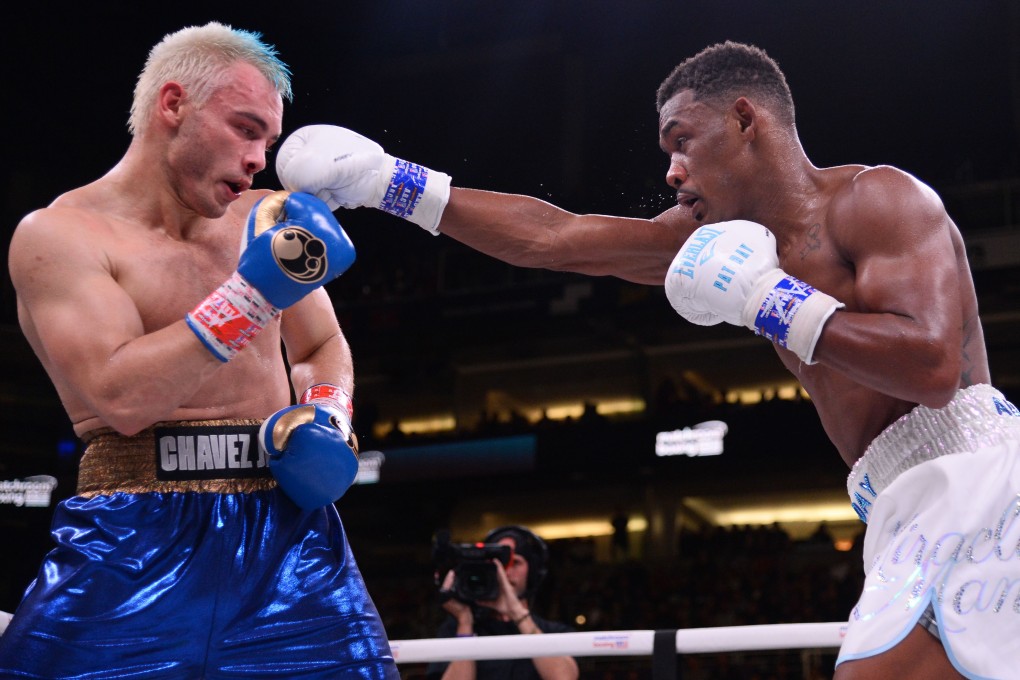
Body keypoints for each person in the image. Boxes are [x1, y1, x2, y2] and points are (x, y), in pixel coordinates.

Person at [274, 41, 1020, 679]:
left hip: (973, 475)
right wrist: (390, 184)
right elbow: (554, 238)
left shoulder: (878, 200)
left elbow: (929, 369)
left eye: (681, 141)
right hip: (895, 499)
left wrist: (773, 301)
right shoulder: (706, 238)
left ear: (745, 119)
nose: (671, 171)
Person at [3, 22, 398, 678]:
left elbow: (322, 342)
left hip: (289, 541)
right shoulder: (60, 236)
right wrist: (252, 292)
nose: (258, 159)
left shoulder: (264, 219)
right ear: (172, 105)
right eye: (245, 129)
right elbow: (122, 398)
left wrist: (328, 412)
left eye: (267, 141)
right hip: (129, 539)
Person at [428, 526, 579, 680]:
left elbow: (564, 677)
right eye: (498, 564)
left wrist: (517, 613)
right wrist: (465, 622)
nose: (505, 572)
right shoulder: (455, 628)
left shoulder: (554, 632)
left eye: (515, 563)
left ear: (532, 571)